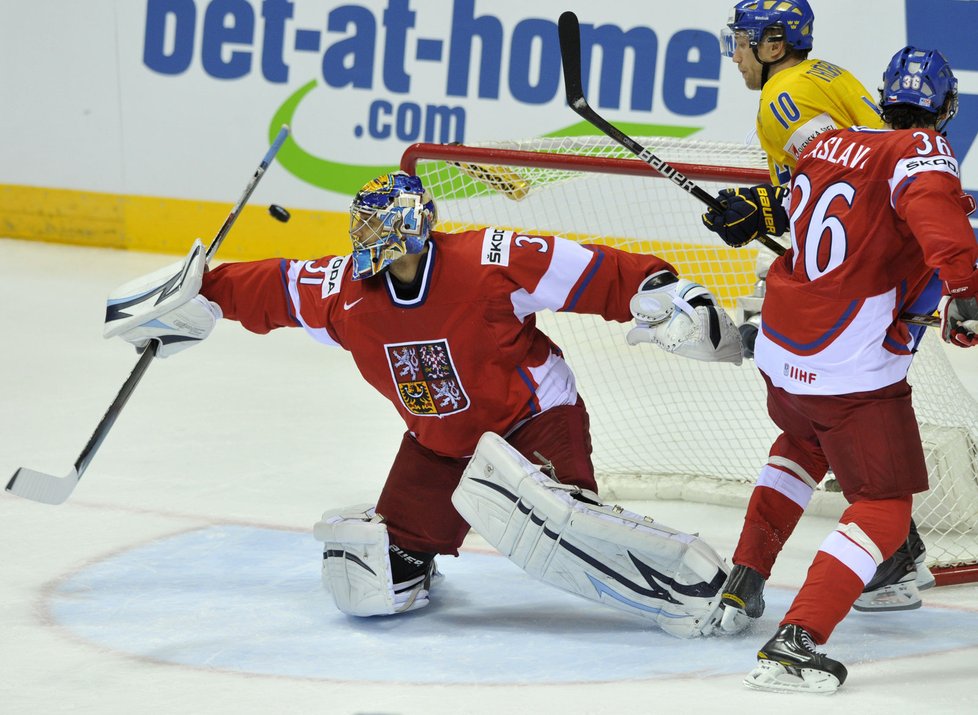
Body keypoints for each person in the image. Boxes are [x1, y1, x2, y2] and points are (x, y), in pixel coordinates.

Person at [103, 171, 744, 639]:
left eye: (379, 224)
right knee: (367, 583)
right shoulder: (343, 291)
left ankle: (703, 585)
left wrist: (662, 291)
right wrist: (197, 296)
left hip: (532, 421)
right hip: (439, 447)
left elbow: (593, 269)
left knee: (563, 525)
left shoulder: (487, 260)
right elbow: (268, 286)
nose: (366, 236)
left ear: (413, 227)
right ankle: (423, 551)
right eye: (361, 224)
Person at [701, 46, 978, 692]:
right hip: (848, 363)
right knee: (883, 505)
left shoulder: (828, 147)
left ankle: (744, 580)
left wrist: (754, 210)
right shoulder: (920, 150)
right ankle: (797, 640)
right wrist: (965, 287)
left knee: (800, 444)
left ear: (881, 101)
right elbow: (934, 209)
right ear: (947, 110)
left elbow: (796, 203)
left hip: (781, 347)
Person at [721, 0, 935, 611]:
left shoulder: (780, 100)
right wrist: (764, 208)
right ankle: (898, 552)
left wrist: (762, 210)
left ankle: (889, 557)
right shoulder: (831, 75)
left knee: (831, 417)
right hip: (886, 270)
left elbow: (822, 188)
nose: (733, 53)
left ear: (772, 44)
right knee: (841, 424)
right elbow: (858, 170)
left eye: (740, 40)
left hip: (863, 286)